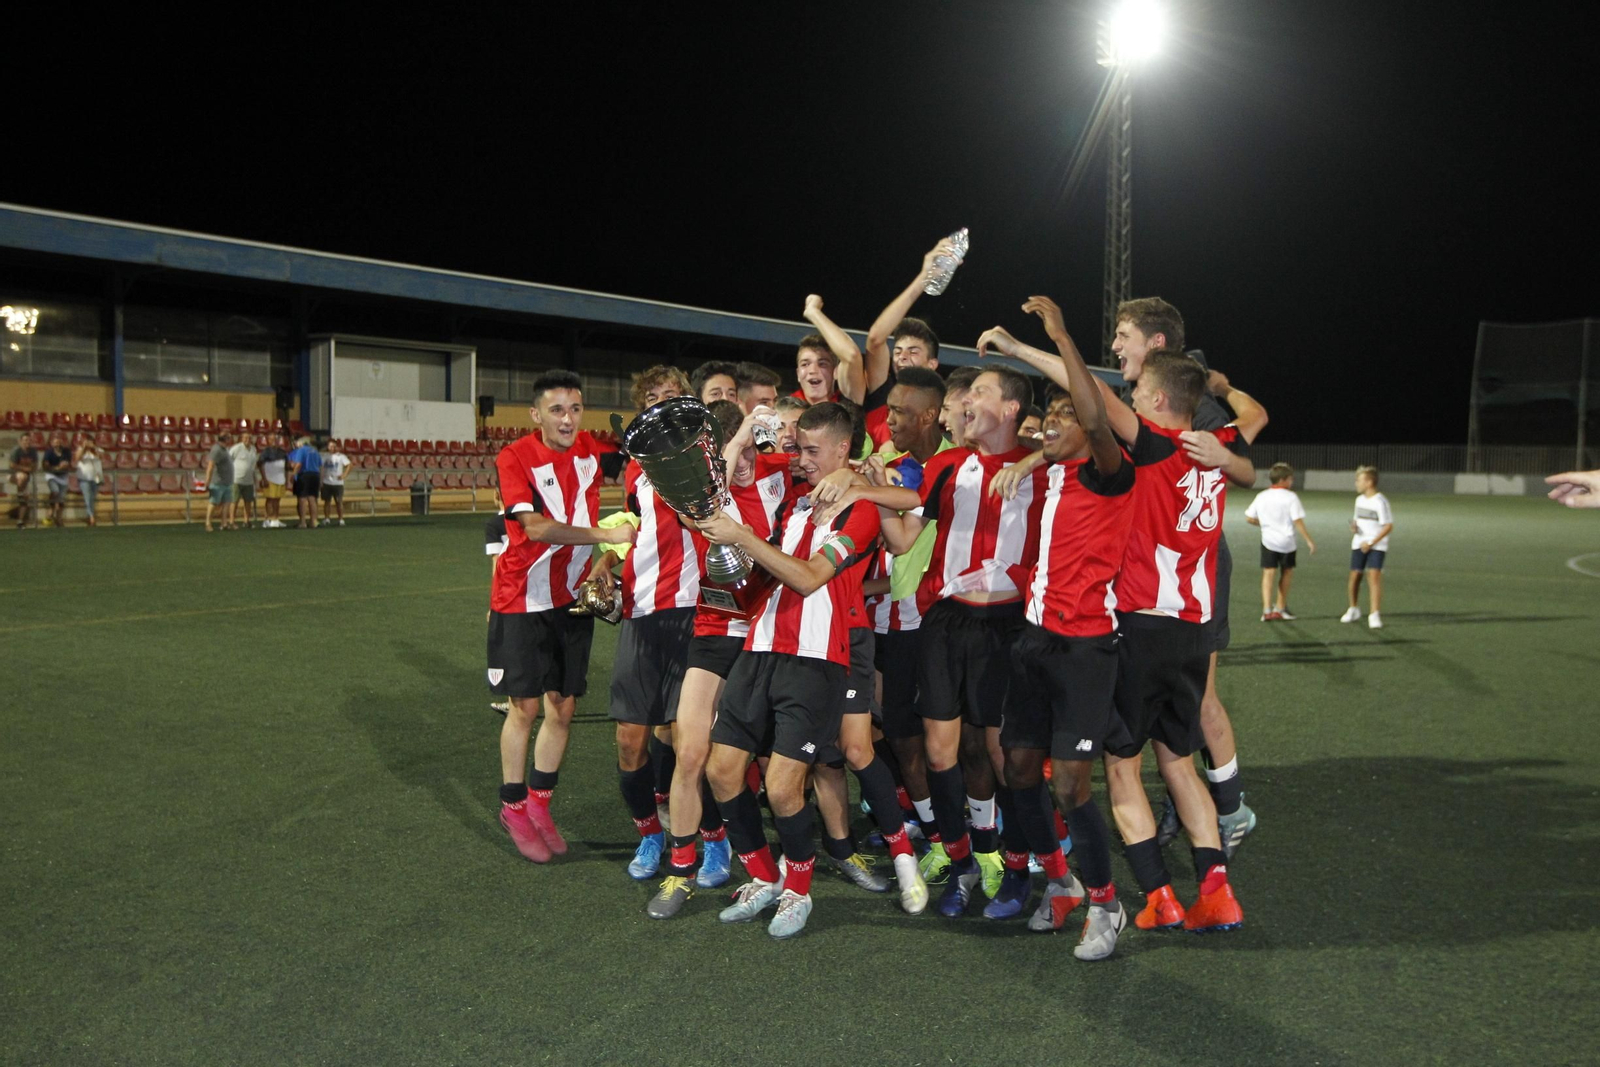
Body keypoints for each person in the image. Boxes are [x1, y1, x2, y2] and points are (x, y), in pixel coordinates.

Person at [817, 364, 1049, 917]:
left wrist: (1040, 454)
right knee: (940, 750)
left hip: (1008, 623)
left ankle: (1015, 865)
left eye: (980, 396)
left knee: (999, 753)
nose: (965, 405)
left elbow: (1098, 434)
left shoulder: (1045, 465)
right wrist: (866, 485)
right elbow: (904, 533)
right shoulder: (948, 465)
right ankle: (963, 861)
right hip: (947, 622)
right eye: (963, 400)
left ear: (1012, 408)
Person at [976, 295, 1136, 959]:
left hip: (1085, 648)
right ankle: (1060, 880)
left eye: (1066, 417)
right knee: (1017, 768)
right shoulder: (1058, 473)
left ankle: (1107, 903)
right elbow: (1045, 446)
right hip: (1035, 640)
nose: (1054, 425)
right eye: (1052, 416)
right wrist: (1035, 455)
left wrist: (1060, 337)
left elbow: (1097, 417)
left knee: (1071, 783)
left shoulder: (1109, 474)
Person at [695, 401, 884, 939]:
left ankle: (799, 888)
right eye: (796, 448)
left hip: (817, 659)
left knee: (782, 788)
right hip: (759, 649)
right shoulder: (796, 503)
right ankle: (762, 878)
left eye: (810, 450)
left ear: (843, 450)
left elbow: (808, 578)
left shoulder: (861, 510)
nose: (798, 459)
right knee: (722, 770)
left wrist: (743, 539)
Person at [1109, 300, 1269, 860]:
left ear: (1155, 347)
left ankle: (1229, 807)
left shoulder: (1181, 406)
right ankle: (1199, 806)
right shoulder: (1167, 399)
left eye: (1123, 335)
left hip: (1186, 569)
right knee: (1179, 702)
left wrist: (1223, 394)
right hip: (1168, 572)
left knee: (1197, 699)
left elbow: (1250, 441)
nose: (1114, 347)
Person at [647, 401, 791, 919]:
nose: (747, 457)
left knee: (776, 763)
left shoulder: (781, 474)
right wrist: (732, 446)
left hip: (764, 635)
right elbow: (708, 499)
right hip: (713, 631)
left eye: (751, 445)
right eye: (735, 448)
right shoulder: (696, 490)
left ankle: (786, 866)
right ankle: (680, 871)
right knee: (690, 754)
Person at [492, 369, 630, 863]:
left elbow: (628, 475)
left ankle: (540, 802)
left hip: (571, 596)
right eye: (556, 410)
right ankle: (512, 804)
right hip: (521, 597)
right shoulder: (515, 457)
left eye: (574, 409)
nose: (568, 418)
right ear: (536, 415)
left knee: (563, 705)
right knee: (524, 707)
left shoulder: (592, 449)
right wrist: (605, 539)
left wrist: (601, 562)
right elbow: (534, 526)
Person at [588, 365, 701, 880]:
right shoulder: (636, 467)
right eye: (652, 398)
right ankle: (650, 836)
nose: (661, 403)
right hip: (640, 610)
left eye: (671, 395)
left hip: (693, 612)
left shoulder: (708, 455)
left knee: (687, 741)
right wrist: (608, 560)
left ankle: (709, 840)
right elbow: (638, 526)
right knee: (630, 739)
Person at [861, 236, 954, 449]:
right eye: (898, 351)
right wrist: (925, 277)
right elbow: (875, 338)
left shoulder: (943, 404)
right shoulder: (881, 390)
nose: (902, 356)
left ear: (932, 364)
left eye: (913, 351)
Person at [1246, 462, 1316, 620]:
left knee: (1268, 573)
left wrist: (1264, 524)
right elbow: (1298, 521)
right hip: (1287, 542)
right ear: (1283, 479)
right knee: (1287, 573)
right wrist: (1309, 540)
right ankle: (1281, 607)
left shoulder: (1262, 496)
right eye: (1290, 479)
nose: (1292, 482)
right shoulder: (1291, 497)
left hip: (1268, 541)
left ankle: (1266, 610)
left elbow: (1250, 517)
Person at [1343, 465, 1393, 629]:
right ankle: (1353, 608)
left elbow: (1388, 526)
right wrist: (1355, 528)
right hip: (1359, 543)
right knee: (1355, 576)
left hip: (1376, 546)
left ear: (1369, 482)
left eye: (1359, 480)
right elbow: (1358, 520)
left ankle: (1374, 614)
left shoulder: (1380, 501)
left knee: (1374, 576)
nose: (1356, 483)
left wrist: (1371, 543)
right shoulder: (1359, 500)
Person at [794, 295, 866, 406]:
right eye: (805, 364)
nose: (813, 370)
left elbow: (851, 355)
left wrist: (813, 312)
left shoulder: (848, 404)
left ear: (836, 372)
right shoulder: (784, 410)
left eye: (822, 364)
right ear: (798, 374)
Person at [484, 486, 512, 716]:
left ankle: (516, 703)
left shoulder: (494, 525)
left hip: (510, 592)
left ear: (495, 496)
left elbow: (497, 565)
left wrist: (493, 603)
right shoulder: (529, 517)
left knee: (512, 646)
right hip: (537, 587)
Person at [286, 436, 322, 530]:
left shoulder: (301, 451)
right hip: (315, 475)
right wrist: (321, 479)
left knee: (302, 498)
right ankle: (314, 520)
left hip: (304, 475)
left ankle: (303, 522)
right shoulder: (315, 451)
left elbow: (298, 464)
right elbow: (320, 466)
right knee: (312, 498)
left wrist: (293, 475)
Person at [203, 432, 236, 532]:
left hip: (227, 482)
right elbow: (210, 465)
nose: (230, 439)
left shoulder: (225, 449)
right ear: (225, 439)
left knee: (227, 502)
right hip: (218, 482)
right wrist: (207, 481)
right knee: (213, 502)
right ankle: (208, 523)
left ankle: (224, 523)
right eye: (229, 438)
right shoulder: (216, 449)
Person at [42, 434, 73, 528]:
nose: (57, 444)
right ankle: (51, 511)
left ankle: (58, 517)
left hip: (63, 476)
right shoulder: (49, 452)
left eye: (59, 442)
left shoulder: (66, 451)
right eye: (55, 442)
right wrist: (57, 467)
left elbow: (67, 464)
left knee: (62, 498)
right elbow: (45, 465)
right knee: (55, 492)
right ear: (52, 443)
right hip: (52, 475)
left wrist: (61, 467)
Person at [228, 432, 259, 528]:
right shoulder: (236, 448)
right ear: (241, 439)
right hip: (236, 479)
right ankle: (232, 521)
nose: (247, 440)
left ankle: (246, 521)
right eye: (245, 438)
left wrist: (255, 479)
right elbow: (228, 460)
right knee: (234, 501)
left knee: (248, 501)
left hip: (249, 480)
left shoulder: (254, 449)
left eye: (249, 438)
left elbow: (253, 466)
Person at [257, 436, 289, 528]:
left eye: (276, 439)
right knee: (270, 499)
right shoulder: (265, 452)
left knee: (277, 499)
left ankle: (275, 518)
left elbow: (286, 467)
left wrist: (286, 480)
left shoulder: (282, 452)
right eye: (271, 439)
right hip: (270, 479)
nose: (274, 441)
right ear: (268, 441)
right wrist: (264, 478)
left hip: (281, 479)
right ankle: (268, 519)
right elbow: (260, 465)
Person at [8, 431, 37, 528]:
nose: (27, 442)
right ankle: (20, 493)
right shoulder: (16, 450)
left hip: (26, 478)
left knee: (25, 500)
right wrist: (25, 468)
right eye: (25, 440)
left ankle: (20, 521)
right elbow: (12, 465)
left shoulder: (33, 451)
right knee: (22, 477)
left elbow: (35, 465)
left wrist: (30, 468)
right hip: (13, 475)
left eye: (29, 440)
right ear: (20, 441)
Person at [320, 441, 352, 527]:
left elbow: (349, 465)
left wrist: (344, 474)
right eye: (330, 446)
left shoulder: (341, 456)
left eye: (333, 446)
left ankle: (341, 519)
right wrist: (321, 480)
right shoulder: (325, 456)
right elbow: (322, 468)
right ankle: (327, 518)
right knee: (327, 501)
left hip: (337, 483)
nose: (331, 448)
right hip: (327, 482)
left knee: (339, 501)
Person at [74, 439, 103, 527]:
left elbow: (101, 456)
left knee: (92, 498)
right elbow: (77, 458)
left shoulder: (97, 450)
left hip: (95, 478)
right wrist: (84, 447)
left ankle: (89, 515)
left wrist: (93, 448)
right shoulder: (80, 450)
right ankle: (91, 517)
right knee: (87, 497)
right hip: (84, 478)